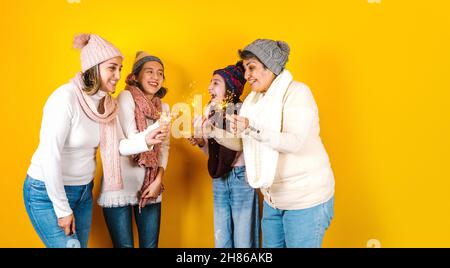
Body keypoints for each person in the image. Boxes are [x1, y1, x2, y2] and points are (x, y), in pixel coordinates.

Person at [23, 34, 168, 248]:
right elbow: (49, 157)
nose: (119, 75)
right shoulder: (65, 98)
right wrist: (62, 210)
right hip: (46, 192)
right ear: (94, 67)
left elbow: (118, 146)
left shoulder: (106, 104)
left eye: (120, 68)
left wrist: (146, 139)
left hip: (82, 192)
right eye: (112, 68)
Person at [226, 39, 335, 248]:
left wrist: (249, 127)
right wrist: (210, 135)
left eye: (252, 68)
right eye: (245, 68)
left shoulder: (297, 93)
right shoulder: (254, 102)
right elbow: (246, 146)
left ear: (271, 67)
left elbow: (294, 142)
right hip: (273, 199)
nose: (246, 75)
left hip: (305, 200)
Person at [98, 52, 170, 248]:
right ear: (135, 76)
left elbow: (164, 148)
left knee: (150, 246)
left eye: (160, 73)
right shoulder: (126, 97)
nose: (155, 77)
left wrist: (159, 179)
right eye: (149, 72)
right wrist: (155, 131)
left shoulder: (164, 107)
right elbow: (131, 138)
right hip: (120, 185)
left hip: (150, 185)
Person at [188, 61, 260, 248]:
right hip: (219, 177)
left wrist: (210, 130)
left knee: (244, 240)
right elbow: (212, 154)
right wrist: (201, 142)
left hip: (241, 177)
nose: (209, 87)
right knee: (222, 238)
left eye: (216, 83)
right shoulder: (210, 112)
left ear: (230, 88)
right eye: (210, 82)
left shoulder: (243, 111)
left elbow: (240, 144)